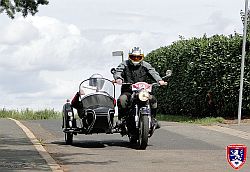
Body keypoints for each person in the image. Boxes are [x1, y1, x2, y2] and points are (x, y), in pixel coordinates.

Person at [113, 47, 166, 129]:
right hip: (128, 90)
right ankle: (122, 119)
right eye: (133, 57)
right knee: (122, 100)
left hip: (142, 91)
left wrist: (159, 80)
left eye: (138, 57)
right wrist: (118, 78)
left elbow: (153, 72)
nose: (136, 59)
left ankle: (153, 119)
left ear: (142, 57)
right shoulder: (124, 64)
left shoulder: (146, 65)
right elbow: (118, 72)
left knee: (153, 99)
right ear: (129, 57)